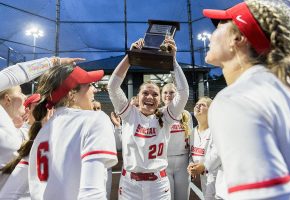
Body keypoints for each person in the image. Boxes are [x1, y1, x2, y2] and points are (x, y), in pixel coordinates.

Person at [202, 0, 290, 199]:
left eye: (220, 25)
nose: (212, 34)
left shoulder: (235, 99)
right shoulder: (288, 87)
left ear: (237, 38)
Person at [9, 64, 117, 200]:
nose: (94, 90)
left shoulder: (41, 130)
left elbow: (10, 193)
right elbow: (92, 193)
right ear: (71, 93)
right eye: (89, 85)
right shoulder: (96, 119)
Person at [107, 37, 189, 200]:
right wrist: (130, 57)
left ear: (160, 99)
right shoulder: (129, 113)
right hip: (129, 184)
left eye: (154, 94)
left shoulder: (166, 116)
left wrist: (172, 60)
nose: (150, 97)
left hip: (158, 185)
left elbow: (183, 92)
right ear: (137, 97)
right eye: (145, 93)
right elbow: (113, 86)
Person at [162, 83, 192, 200]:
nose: (168, 95)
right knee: (167, 197)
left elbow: (190, 138)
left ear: (177, 95)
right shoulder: (158, 113)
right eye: (165, 92)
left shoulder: (185, 114)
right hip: (165, 162)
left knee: (183, 197)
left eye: (171, 92)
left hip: (183, 162)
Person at [187, 97, 222, 200]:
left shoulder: (216, 129)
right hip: (203, 177)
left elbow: (218, 154)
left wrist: (203, 166)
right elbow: (190, 154)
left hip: (217, 176)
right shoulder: (192, 132)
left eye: (202, 105)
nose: (198, 106)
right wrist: (191, 165)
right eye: (197, 104)